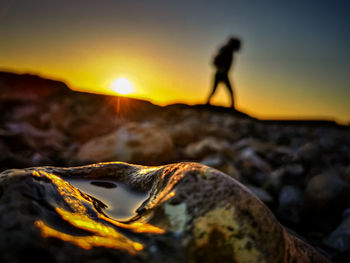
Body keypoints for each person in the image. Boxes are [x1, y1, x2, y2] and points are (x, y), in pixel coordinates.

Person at [207, 37, 241, 108]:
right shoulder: (227, 51)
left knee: (215, 91)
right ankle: (232, 107)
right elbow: (216, 61)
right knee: (219, 91)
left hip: (223, 74)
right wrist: (221, 69)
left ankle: (208, 103)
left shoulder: (228, 51)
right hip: (221, 74)